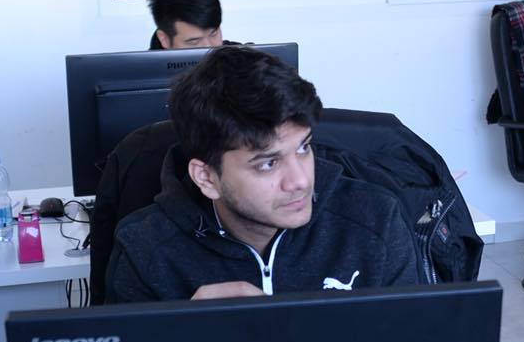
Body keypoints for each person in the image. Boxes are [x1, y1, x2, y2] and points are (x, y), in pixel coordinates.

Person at [106, 45, 419, 301]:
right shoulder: (145, 250)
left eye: (303, 148)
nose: (300, 181)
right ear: (207, 178)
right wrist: (188, 336)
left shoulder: (376, 221)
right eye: (268, 163)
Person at [147, 0, 224, 50]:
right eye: (194, 42)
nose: (209, 47)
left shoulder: (231, 54)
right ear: (164, 40)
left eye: (214, 34)